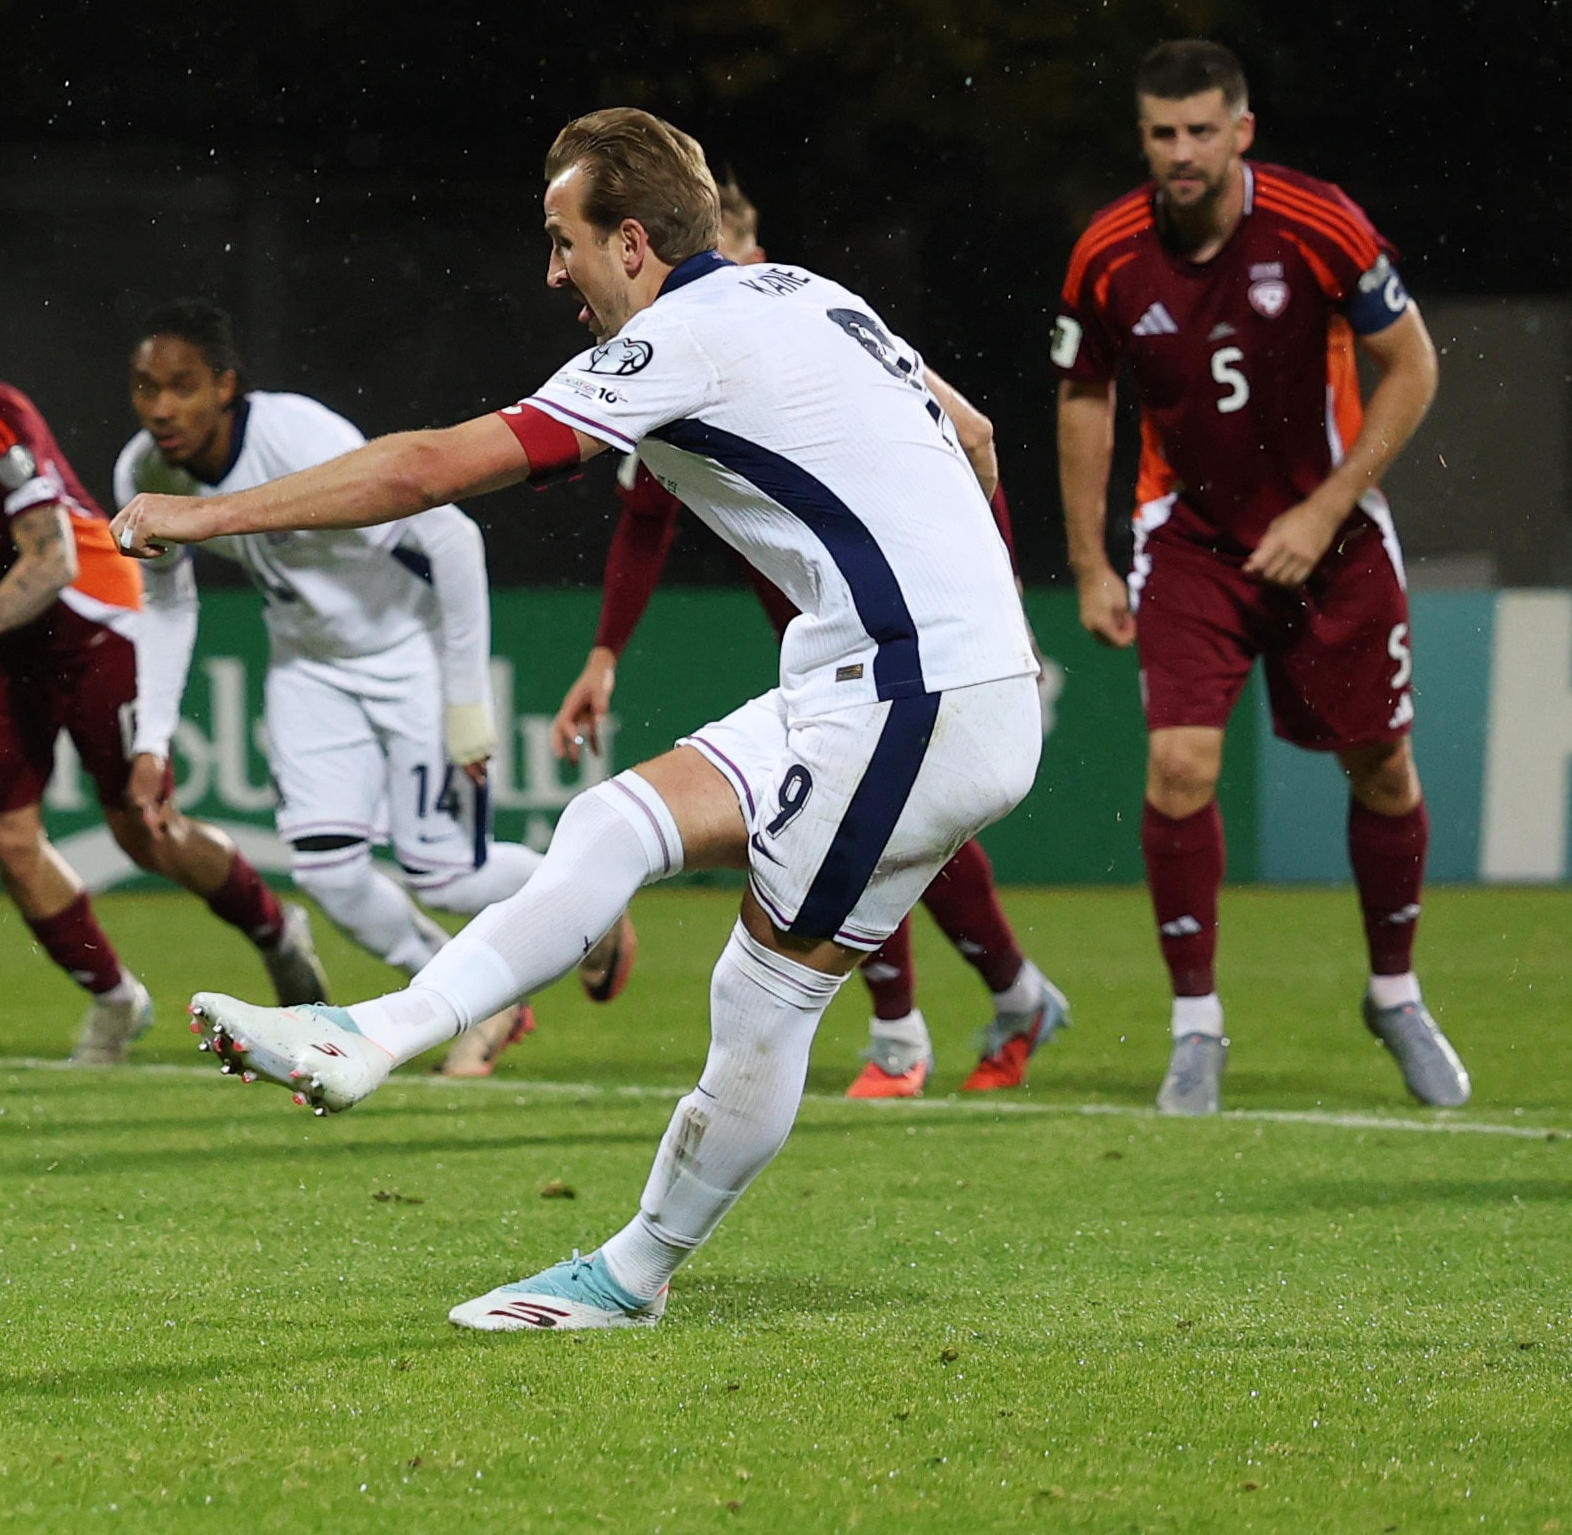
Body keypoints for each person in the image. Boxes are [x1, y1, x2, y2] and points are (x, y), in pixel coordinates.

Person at [119, 108, 1042, 1331]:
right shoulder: (807, 292)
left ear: (632, 243)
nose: (552, 271)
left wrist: (201, 516)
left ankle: (629, 1274)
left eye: (563, 241)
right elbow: (973, 433)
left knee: (762, 997)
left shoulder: (680, 339)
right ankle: (372, 1032)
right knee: (614, 820)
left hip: (913, 690)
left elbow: (430, 469)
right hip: (884, 678)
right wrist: (989, 629)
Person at [553, 173, 1069, 1098]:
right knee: (882, 827)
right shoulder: (677, 354)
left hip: (902, 635)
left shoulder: (805, 323)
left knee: (850, 822)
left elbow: (978, 437)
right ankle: (1000, 997)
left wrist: (1001, 607)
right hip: (834, 640)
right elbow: (644, 522)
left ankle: (904, 1033)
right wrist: (602, 653)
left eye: (748, 264)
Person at [1055, 40, 1459, 1113]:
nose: (1179, 153)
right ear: (1141, 136)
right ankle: (1195, 1027)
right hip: (1188, 540)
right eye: (1159, 133)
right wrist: (1091, 560)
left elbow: (1414, 365)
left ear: (1240, 130)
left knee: (1380, 766)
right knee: (1179, 769)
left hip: (1332, 533)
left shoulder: (1318, 220)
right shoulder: (1105, 251)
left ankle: (1395, 993)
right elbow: (1083, 397)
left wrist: (1324, 507)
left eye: (1199, 130)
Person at [0, 278, 328, 1064]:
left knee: (144, 827)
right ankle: (116, 999)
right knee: (7, 840)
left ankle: (276, 930)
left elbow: (53, 559)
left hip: (96, 618)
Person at [116, 297, 631, 1080]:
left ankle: (595, 897)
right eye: (144, 387)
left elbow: (451, 537)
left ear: (225, 384)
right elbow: (166, 603)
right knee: (327, 871)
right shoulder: (143, 470)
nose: (160, 408)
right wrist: (151, 741)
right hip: (306, 666)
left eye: (180, 385)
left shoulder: (297, 434)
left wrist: (465, 702)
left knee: (445, 872)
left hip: (407, 654)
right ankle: (475, 995)